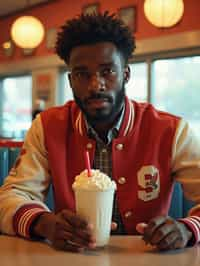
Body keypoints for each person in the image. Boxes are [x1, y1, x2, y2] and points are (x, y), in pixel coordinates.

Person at [0, 11, 200, 253]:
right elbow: (11, 196)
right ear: (71, 80)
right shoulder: (47, 126)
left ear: (126, 74)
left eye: (108, 71)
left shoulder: (171, 130)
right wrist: (44, 224)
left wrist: (188, 228)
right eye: (83, 74)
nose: (96, 85)